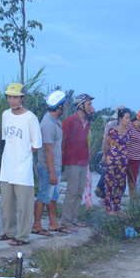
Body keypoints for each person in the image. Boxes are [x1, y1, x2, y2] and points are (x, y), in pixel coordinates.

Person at [0, 83, 42, 247]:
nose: (12, 100)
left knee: (24, 206)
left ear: (23, 98)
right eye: (9, 97)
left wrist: (23, 156)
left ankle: (23, 236)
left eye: (15, 97)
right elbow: (6, 140)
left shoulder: (31, 118)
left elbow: (35, 145)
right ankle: (9, 232)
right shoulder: (5, 115)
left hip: (22, 169)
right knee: (6, 204)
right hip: (7, 168)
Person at [32, 90, 67, 236]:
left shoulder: (54, 122)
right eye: (64, 105)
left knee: (52, 197)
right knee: (43, 196)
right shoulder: (48, 124)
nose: (65, 107)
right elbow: (47, 150)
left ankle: (53, 224)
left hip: (54, 167)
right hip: (48, 168)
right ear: (59, 106)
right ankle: (36, 226)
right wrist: (52, 171)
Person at [61, 93, 94, 231]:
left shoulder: (87, 121)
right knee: (72, 191)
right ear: (80, 105)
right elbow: (63, 141)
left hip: (82, 161)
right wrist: (64, 159)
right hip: (72, 161)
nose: (91, 107)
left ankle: (74, 219)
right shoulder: (69, 120)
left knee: (80, 191)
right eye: (88, 104)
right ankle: (65, 221)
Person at [102, 108, 132, 215]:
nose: (128, 120)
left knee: (119, 185)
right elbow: (106, 144)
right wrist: (105, 155)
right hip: (112, 161)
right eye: (126, 118)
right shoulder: (113, 131)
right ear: (120, 118)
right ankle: (108, 207)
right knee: (109, 184)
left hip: (123, 162)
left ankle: (117, 206)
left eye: (129, 118)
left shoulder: (129, 132)